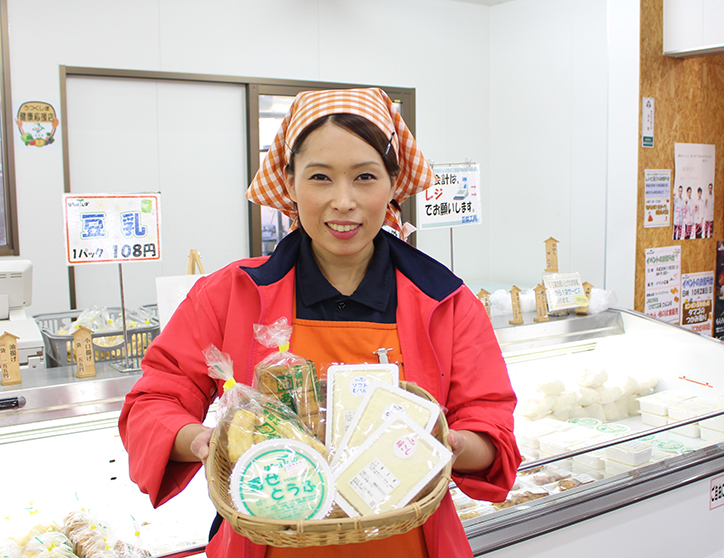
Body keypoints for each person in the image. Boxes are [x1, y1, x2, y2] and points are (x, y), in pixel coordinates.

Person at [118, 88, 520, 558]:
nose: (343, 201)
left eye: (365, 177)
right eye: (321, 178)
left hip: (412, 543)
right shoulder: (230, 294)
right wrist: (208, 442)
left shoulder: (446, 303)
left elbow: (492, 429)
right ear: (289, 182)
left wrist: (443, 443)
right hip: (265, 542)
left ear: (393, 181)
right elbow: (154, 400)